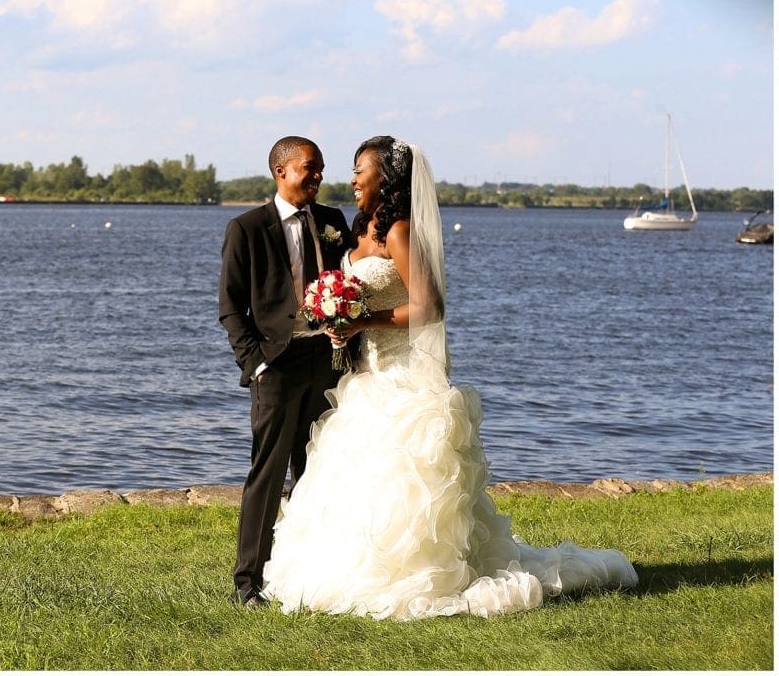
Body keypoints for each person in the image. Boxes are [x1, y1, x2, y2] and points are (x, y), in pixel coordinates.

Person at [261, 136, 638, 619]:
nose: (352, 179)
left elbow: (429, 306)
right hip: (366, 375)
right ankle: (343, 568)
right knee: (355, 472)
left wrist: (362, 321)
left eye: (361, 169)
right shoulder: (361, 228)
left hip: (401, 375)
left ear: (387, 177)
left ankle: (414, 571)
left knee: (405, 477)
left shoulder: (398, 230)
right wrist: (340, 320)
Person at [218, 135, 353, 606]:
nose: (318, 177)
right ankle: (248, 583)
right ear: (282, 171)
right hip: (275, 365)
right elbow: (231, 307)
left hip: (328, 361)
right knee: (269, 472)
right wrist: (254, 364)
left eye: (321, 170)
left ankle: (309, 574)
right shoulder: (247, 228)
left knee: (318, 470)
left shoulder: (334, 223)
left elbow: (352, 283)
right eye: (310, 169)